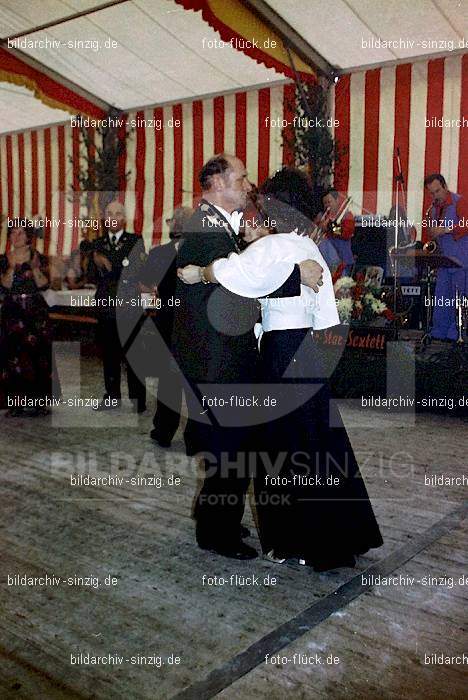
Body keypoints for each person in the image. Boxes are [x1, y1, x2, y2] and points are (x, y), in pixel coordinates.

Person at [179, 186, 383, 572]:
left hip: (279, 354)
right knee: (320, 445)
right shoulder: (308, 248)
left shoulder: (270, 249)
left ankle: (295, 541)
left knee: (283, 449)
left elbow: (233, 273)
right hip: (307, 349)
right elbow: (324, 313)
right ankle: (341, 536)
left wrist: (198, 273)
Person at [172, 153, 325, 560]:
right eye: (239, 178)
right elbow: (237, 283)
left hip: (222, 356)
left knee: (230, 446)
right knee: (229, 447)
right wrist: (297, 276)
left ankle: (215, 519)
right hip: (217, 360)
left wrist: (252, 244)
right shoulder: (205, 230)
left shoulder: (214, 227)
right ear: (217, 182)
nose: (246, 184)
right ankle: (217, 534)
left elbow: (238, 272)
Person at [140, 206, 193, 448]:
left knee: (168, 380)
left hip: (166, 322)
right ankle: (195, 438)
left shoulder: (158, 253)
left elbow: (144, 284)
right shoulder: (199, 251)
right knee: (192, 380)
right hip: (192, 322)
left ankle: (163, 431)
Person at [0, 221, 59, 416]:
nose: (16, 237)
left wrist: (34, 269)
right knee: (13, 356)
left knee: (39, 355)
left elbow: (44, 284)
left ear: (28, 236)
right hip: (12, 313)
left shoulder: (39, 258)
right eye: (13, 233)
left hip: (35, 313)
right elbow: (5, 286)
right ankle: (16, 403)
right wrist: (10, 267)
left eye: (20, 233)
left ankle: (40, 402)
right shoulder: (3, 259)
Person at [93, 200, 147, 412]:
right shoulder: (97, 244)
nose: (113, 218)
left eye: (117, 214)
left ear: (124, 219)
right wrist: (98, 262)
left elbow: (133, 271)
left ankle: (137, 400)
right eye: (109, 214)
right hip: (106, 306)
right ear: (105, 218)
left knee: (134, 355)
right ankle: (112, 396)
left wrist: (106, 262)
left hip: (128, 306)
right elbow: (91, 274)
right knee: (109, 354)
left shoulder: (135, 240)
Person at [423, 173, 468, 341]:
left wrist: (444, 229)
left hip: (461, 261)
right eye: (431, 193)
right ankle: (439, 334)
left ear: (445, 187)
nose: (435, 196)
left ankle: (457, 335)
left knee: (459, 302)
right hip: (444, 261)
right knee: (442, 300)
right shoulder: (434, 209)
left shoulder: (460, 201)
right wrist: (432, 232)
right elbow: (432, 233)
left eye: (437, 191)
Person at [315, 188, 355, 277]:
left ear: (337, 200)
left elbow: (346, 233)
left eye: (329, 202)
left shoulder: (347, 215)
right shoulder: (322, 217)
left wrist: (330, 227)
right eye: (325, 203)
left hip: (342, 260)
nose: (327, 206)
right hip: (325, 261)